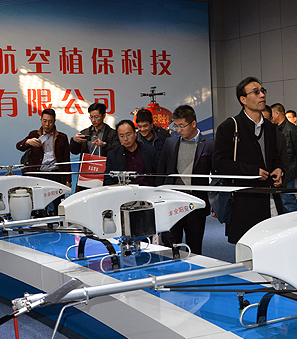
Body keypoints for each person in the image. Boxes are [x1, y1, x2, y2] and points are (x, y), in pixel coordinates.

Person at [212, 77, 284, 244]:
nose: (262, 95)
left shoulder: (269, 127)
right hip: (243, 202)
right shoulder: (229, 127)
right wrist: (252, 172)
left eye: (262, 91)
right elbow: (219, 164)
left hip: (270, 198)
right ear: (243, 99)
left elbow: (275, 156)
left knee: (273, 244)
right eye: (256, 92)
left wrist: (279, 169)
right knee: (248, 248)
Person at [157, 105, 215, 254]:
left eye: (182, 126)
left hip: (196, 204)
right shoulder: (170, 143)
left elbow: (215, 176)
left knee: (194, 247)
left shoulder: (209, 145)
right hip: (172, 203)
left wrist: (215, 204)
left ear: (193, 123)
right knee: (170, 245)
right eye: (176, 126)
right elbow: (162, 172)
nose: (178, 130)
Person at [17, 109, 71, 187]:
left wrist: (68, 180)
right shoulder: (34, 135)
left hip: (55, 174)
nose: (47, 124)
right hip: (38, 174)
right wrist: (27, 142)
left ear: (54, 121)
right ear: (41, 120)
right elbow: (19, 146)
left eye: (50, 121)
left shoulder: (62, 137)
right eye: (44, 121)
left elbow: (66, 159)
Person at [270, 102, 297, 213]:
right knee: (282, 202)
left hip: (289, 170)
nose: (270, 118)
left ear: (277, 113)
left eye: (271, 114)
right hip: (282, 169)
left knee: (288, 201)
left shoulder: (291, 129)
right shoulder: (275, 129)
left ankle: (293, 222)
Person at [104, 120, 158, 186]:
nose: (125, 139)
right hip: (123, 190)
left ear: (135, 133)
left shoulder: (150, 151)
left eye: (128, 135)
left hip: (147, 189)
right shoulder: (113, 155)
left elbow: (159, 174)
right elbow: (108, 178)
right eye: (122, 136)